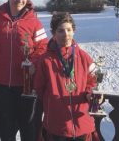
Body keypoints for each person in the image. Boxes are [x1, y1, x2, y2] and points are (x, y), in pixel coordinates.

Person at [0, 0, 48, 141]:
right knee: (6, 126)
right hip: (0, 83)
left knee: (27, 125)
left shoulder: (33, 21)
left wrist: (32, 63)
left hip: (25, 83)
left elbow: (43, 47)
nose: (19, 0)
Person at [33, 12, 99, 141]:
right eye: (61, 31)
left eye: (69, 30)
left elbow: (92, 83)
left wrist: (90, 94)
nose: (66, 34)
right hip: (57, 127)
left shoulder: (84, 57)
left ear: (73, 31)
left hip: (82, 126)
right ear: (54, 33)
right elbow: (39, 89)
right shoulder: (45, 60)